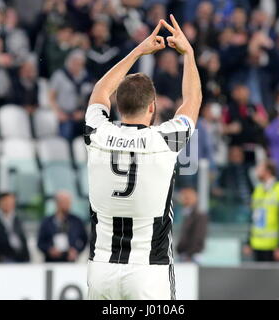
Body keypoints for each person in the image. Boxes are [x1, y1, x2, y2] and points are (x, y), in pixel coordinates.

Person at [85, 15, 201, 300]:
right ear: (152, 108)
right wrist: (189, 54)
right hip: (148, 270)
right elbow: (193, 100)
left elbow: (100, 90)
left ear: (118, 106)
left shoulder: (97, 133)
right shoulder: (164, 140)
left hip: (101, 268)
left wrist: (138, 51)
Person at [243, 160, 279, 262]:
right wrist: (249, 242)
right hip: (258, 243)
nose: (257, 172)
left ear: (268, 171)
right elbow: (254, 218)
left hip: (274, 245)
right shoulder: (258, 190)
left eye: (260, 169)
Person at [49, 49, 93, 141]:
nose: (77, 66)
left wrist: (84, 112)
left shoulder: (86, 77)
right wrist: (58, 112)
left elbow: (91, 98)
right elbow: (51, 97)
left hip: (81, 114)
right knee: (67, 132)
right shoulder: (59, 75)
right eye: (75, 63)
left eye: (80, 64)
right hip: (64, 114)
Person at [37, 191, 87, 262]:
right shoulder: (47, 222)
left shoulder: (77, 222)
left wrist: (76, 250)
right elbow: (40, 243)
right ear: (57, 203)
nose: (67, 205)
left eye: (68, 202)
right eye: (64, 202)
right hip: (51, 262)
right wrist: (49, 250)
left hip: (70, 262)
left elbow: (84, 240)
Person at [0, 193, 30, 263]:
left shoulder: (17, 220)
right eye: (6, 201)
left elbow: (23, 240)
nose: (9, 204)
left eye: (11, 202)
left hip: (20, 258)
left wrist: (27, 258)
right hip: (3, 259)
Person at [176, 188, 208, 262]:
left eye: (186, 198)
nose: (182, 200)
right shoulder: (185, 214)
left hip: (191, 256)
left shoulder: (199, 216)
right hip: (184, 255)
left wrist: (189, 254)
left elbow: (198, 237)